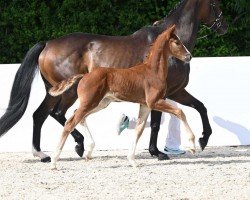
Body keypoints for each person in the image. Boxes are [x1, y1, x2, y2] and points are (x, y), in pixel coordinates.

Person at [117, 99, 185, 155]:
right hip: (166, 91)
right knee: (176, 114)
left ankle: (128, 122)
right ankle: (172, 146)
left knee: (161, 120)